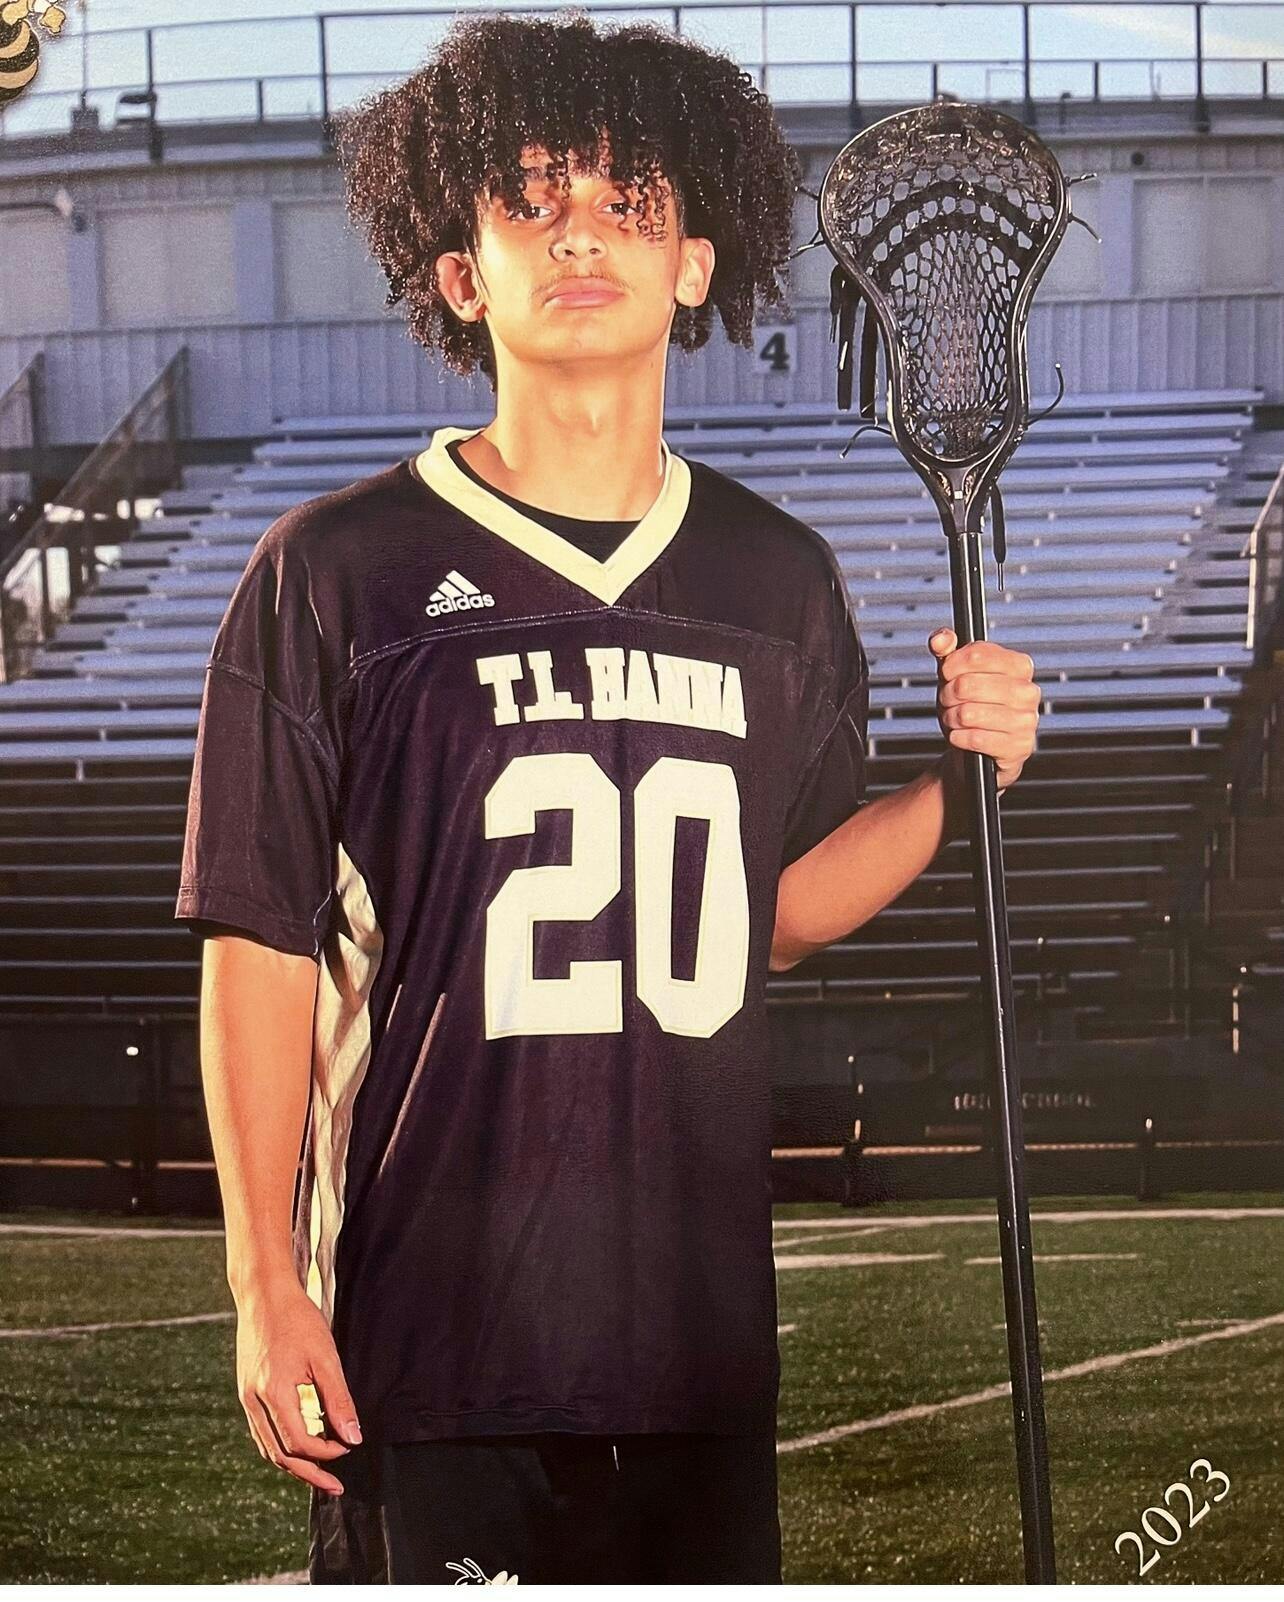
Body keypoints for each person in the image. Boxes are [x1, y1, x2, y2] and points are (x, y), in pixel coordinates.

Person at [174, 9, 1041, 1585]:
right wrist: (260, 1281)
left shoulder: (778, 580)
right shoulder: (333, 573)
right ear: (462, 274)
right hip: (430, 1345)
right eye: (533, 199)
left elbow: (773, 915)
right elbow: (259, 941)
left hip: (699, 1352)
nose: (582, 232)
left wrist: (958, 784)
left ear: (695, 264)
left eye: (629, 199)